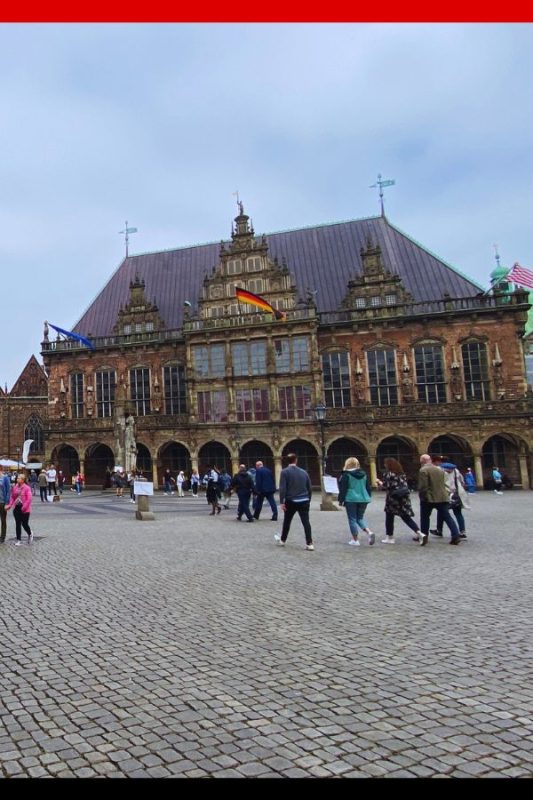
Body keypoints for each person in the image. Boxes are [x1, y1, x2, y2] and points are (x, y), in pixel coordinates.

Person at [377, 457, 422, 544]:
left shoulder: (389, 474)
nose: (384, 465)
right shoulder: (402, 474)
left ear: (389, 465)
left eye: (385, 464)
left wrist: (379, 482)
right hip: (404, 498)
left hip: (393, 499)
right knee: (406, 518)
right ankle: (419, 533)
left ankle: (390, 537)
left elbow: (386, 486)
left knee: (389, 518)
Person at [418, 454, 461, 546]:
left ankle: (424, 536)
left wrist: (422, 496)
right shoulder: (440, 469)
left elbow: (423, 486)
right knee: (447, 517)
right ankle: (455, 535)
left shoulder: (423, 470)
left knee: (425, 518)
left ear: (422, 461)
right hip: (442, 496)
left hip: (429, 498)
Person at [274, 453, 314, 551]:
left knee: (287, 521)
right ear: (296, 460)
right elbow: (309, 487)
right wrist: (308, 499)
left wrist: (282, 502)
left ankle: (283, 540)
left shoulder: (284, 472)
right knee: (306, 522)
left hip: (291, 500)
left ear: (287, 461)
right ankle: (309, 543)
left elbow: (283, 488)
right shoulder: (304, 472)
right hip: (304, 500)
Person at [337, 457, 375, 546]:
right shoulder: (364, 474)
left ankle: (355, 540)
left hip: (351, 499)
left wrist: (341, 500)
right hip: (363, 499)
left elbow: (343, 489)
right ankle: (369, 532)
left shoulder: (346, 475)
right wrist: (368, 496)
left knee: (352, 519)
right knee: (360, 518)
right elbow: (368, 487)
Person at [431, 462, 470, 540]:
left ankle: (439, 530)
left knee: (442, 511)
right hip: (457, 493)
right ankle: (462, 532)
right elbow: (462, 481)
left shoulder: (440, 470)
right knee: (458, 513)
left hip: (447, 493)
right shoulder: (455, 470)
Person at [6, 474, 34, 546]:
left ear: (23, 480)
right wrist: (10, 505)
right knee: (18, 524)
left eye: (19, 478)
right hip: (17, 508)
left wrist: (24, 507)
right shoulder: (15, 487)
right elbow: (12, 497)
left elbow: (29, 499)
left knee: (24, 524)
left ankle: (30, 533)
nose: (17, 479)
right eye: (17, 478)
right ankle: (18, 540)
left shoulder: (27, 488)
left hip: (25, 509)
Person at [0, 466, 11, 543]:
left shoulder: (5, 478)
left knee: (3, 520)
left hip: (2, 502)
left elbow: (8, 491)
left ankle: (2, 537)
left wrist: (7, 503)